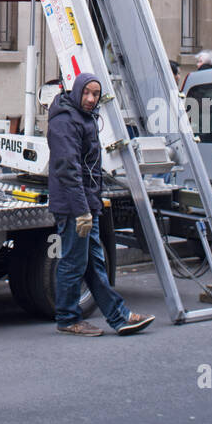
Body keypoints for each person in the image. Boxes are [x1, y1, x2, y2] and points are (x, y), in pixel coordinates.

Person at [47, 71, 154, 337]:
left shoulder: (84, 118)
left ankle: (119, 316)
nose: (91, 99)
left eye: (95, 94)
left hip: (85, 205)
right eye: (87, 93)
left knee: (93, 263)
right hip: (75, 207)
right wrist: (82, 210)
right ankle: (68, 318)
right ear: (76, 91)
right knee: (74, 262)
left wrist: (91, 207)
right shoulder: (65, 121)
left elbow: (87, 168)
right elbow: (68, 169)